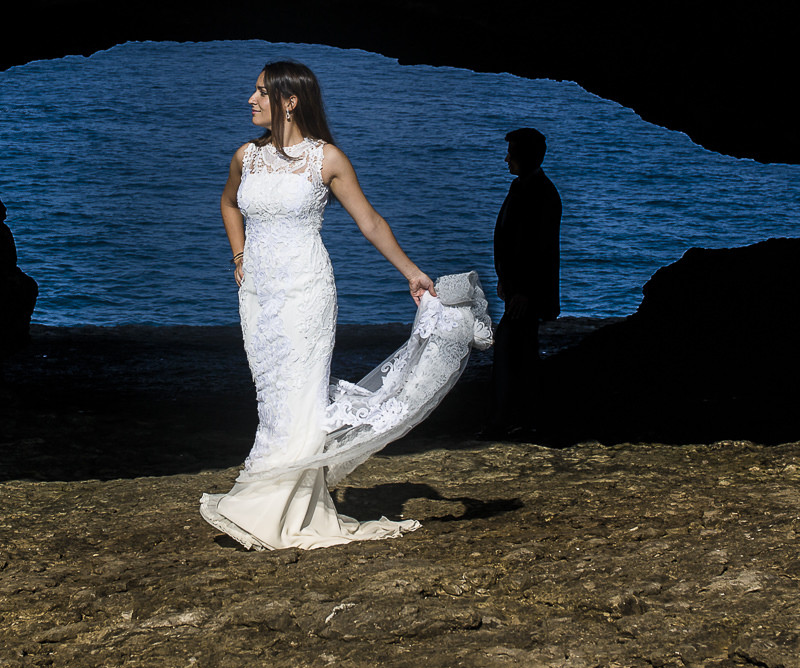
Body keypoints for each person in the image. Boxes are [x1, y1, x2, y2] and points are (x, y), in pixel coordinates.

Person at [199, 61, 495, 551]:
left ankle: (271, 507)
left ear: (289, 101)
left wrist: (412, 272)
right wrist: (239, 254)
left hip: (306, 290)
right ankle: (283, 502)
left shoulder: (326, 159)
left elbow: (370, 221)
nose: (250, 100)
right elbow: (229, 203)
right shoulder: (246, 157)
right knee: (273, 394)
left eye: (260, 93)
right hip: (259, 294)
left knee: (298, 393)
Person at [487, 126, 561, 436]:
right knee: (518, 352)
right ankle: (520, 419)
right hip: (518, 290)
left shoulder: (541, 193)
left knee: (512, 352)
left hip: (527, 294)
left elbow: (541, 249)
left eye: (512, 154)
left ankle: (510, 421)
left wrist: (526, 293)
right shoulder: (522, 187)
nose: (506, 159)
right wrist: (505, 279)